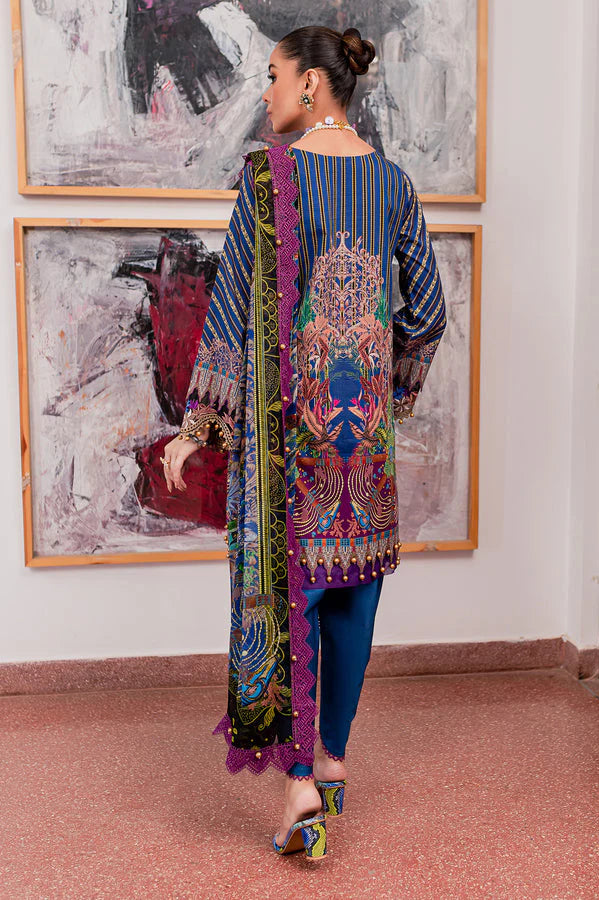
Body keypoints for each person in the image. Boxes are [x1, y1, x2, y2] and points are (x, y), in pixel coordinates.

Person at [160, 25, 447, 859]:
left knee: (290, 598)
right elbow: (428, 312)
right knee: (355, 597)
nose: (267, 91)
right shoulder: (392, 183)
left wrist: (198, 426)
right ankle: (332, 761)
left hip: (292, 441)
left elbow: (229, 311)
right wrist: (387, 391)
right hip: (364, 445)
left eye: (275, 75)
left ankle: (297, 789)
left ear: (313, 85)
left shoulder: (270, 177)